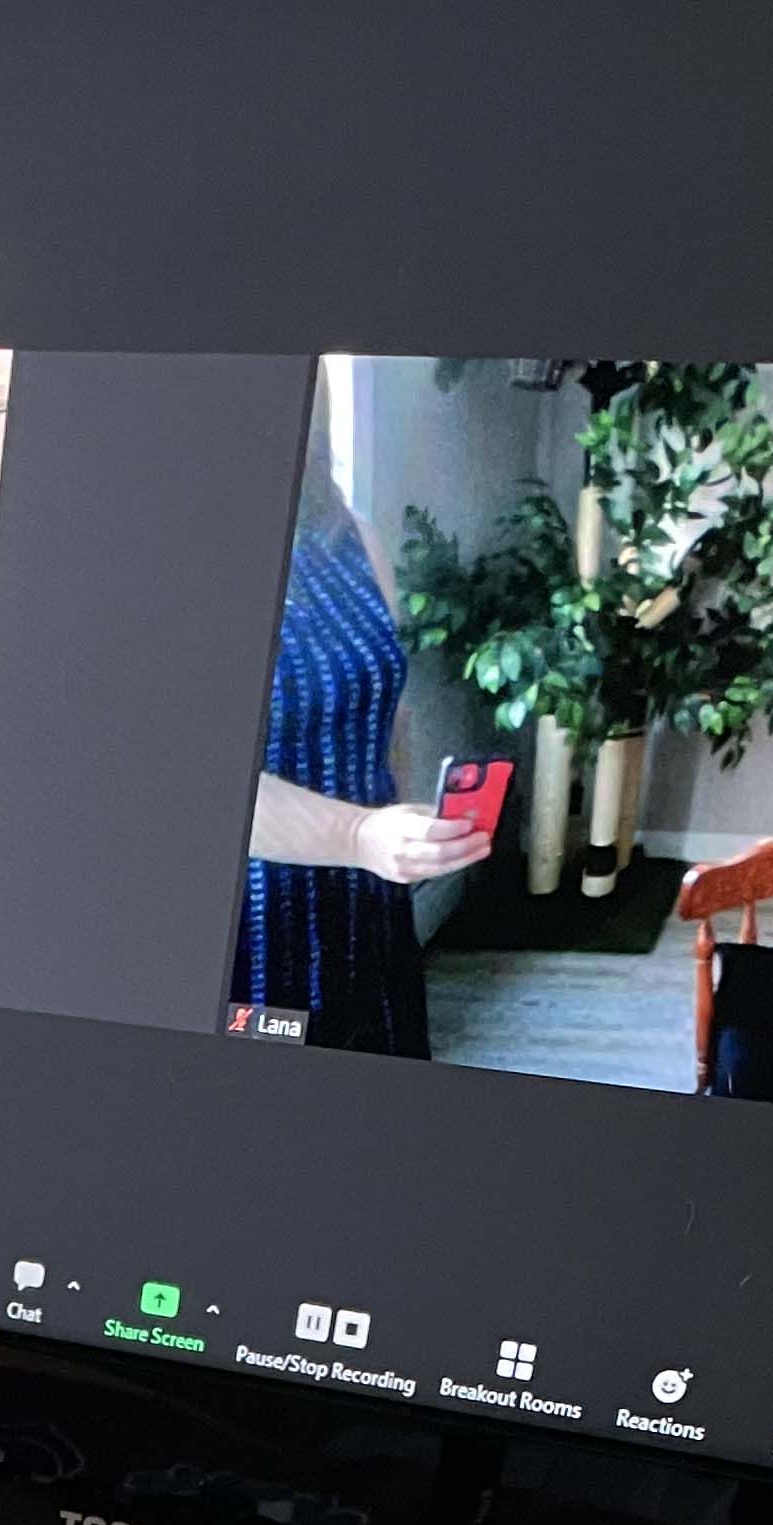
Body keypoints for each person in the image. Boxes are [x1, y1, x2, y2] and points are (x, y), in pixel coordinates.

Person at [233, 408, 489, 1056]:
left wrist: (402, 828)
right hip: (255, 923)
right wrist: (358, 833)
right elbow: (187, 780)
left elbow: (390, 713)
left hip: (368, 902)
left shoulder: (354, 535)